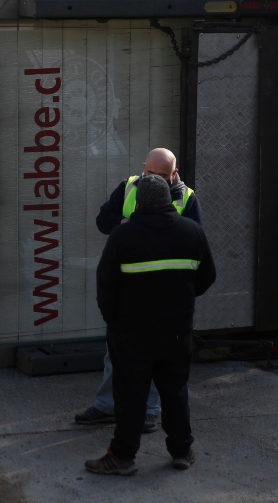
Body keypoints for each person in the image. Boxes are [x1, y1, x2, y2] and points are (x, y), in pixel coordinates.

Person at [85, 175, 216, 476]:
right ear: (168, 200)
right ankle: (182, 451)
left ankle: (121, 457)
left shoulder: (124, 236)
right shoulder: (192, 232)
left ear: (139, 202)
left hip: (131, 332)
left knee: (131, 396)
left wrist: (113, 319)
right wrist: (182, 301)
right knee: (175, 393)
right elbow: (207, 276)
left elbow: (106, 284)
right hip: (177, 330)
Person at [76, 148, 203, 432]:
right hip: (131, 295)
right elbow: (103, 219)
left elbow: (196, 243)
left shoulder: (187, 198)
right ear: (143, 167)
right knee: (116, 354)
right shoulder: (129, 187)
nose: (154, 180)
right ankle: (107, 406)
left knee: (158, 359)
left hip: (166, 298)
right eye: (150, 174)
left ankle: (149, 411)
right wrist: (126, 226)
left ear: (175, 174)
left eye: (162, 176)